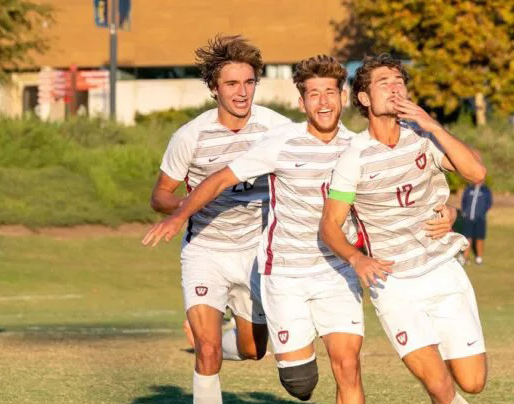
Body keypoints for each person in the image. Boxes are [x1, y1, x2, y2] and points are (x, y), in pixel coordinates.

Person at [144, 55, 456, 404]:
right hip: (286, 274)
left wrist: (452, 212)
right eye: (313, 94)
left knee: (348, 366)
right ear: (301, 102)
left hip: (337, 272)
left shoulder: (358, 147)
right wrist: (178, 215)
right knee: (299, 383)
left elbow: (409, 194)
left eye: (330, 93)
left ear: (342, 97)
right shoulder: (279, 142)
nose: (323, 102)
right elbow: (219, 180)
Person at [320, 54, 488, 404]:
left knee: (472, 383)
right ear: (364, 99)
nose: (395, 87)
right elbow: (330, 226)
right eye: (384, 83)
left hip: (443, 270)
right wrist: (356, 259)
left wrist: (434, 126)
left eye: (399, 81)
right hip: (394, 283)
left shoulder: (423, 137)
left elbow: (476, 173)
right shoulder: (354, 157)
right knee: (440, 387)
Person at [147, 35, 292, 404]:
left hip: (257, 254)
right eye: (231, 84)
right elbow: (160, 195)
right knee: (207, 351)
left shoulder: (277, 128)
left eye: (249, 82)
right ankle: (203, 334)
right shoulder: (190, 136)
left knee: (253, 349)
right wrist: (185, 208)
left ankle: (223, 330)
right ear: (214, 88)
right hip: (205, 252)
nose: (242, 92)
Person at [460, 183, 492, 265]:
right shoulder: (469, 189)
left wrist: (481, 213)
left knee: (479, 238)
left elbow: (489, 203)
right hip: (468, 218)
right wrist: (465, 212)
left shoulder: (485, 190)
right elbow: (464, 201)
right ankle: (465, 258)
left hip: (480, 219)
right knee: (467, 238)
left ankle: (479, 258)